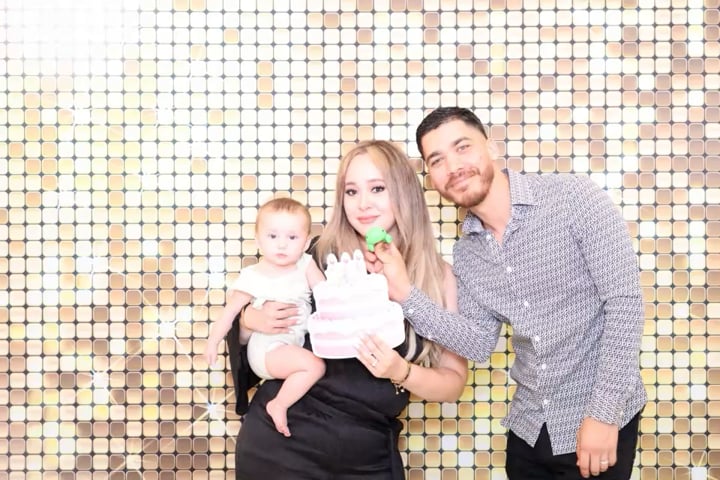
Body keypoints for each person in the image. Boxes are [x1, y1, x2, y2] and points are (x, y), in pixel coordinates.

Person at [369, 107, 647, 479]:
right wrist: (405, 293)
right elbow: (479, 342)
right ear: (431, 178)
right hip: (528, 430)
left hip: (595, 421)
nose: (453, 166)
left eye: (462, 147)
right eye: (437, 160)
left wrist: (604, 414)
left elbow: (625, 304)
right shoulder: (468, 254)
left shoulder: (573, 198)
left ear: (491, 147)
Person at [227, 140, 468, 479]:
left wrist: (401, 371)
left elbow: (453, 384)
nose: (363, 203)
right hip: (282, 443)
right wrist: (249, 322)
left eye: (378, 188)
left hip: (368, 455)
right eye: (351, 191)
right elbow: (250, 336)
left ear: (405, 192)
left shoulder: (440, 278)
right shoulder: (315, 256)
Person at [204, 197, 326, 437]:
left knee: (314, 363)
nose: (282, 244)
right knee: (314, 366)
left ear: (306, 242)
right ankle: (278, 405)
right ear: (258, 239)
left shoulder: (306, 264)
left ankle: (282, 401)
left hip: (288, 345)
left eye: (292, 237)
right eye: (272, 236)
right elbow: (230, 312)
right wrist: (212, 341)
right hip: (266, 349)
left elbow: (325, 292)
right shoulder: (253, 276)